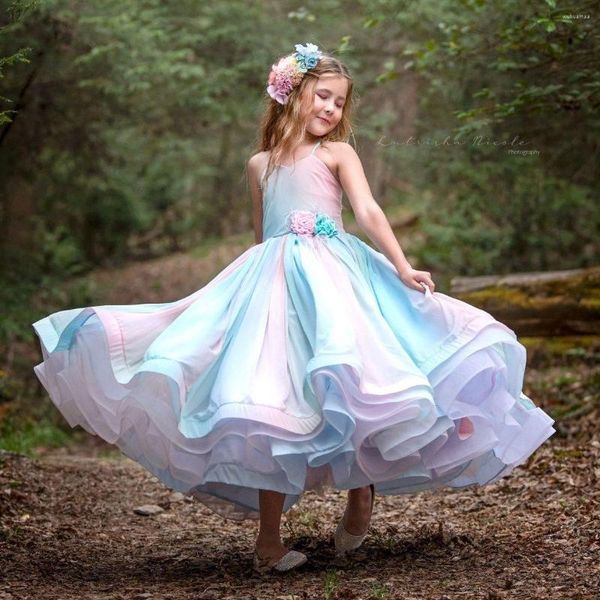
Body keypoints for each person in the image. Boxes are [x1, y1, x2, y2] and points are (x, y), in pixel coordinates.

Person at [32, 42, 556, 575]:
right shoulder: (259, 165)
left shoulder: (337, 154)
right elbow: (262, 236)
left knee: (359, 380)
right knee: (270, 396)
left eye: (338, 103)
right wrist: (252, 290)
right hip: (276, 284)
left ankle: (360, 494)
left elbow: (368, 211)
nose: (330, 109)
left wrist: (401, 266)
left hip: (339, 278)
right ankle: (268, 544)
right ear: (292, 94)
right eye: (322, 96)